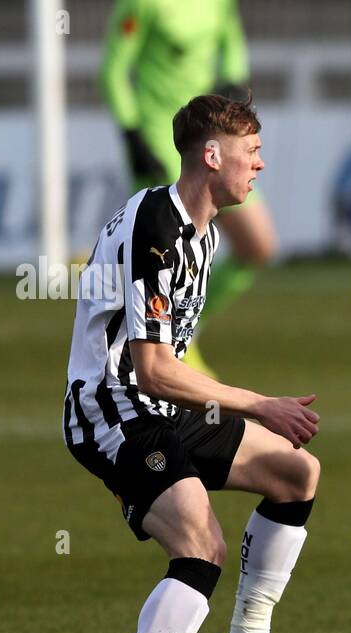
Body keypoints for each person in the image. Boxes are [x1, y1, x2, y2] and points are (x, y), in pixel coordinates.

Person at [64, 94, 323, 633]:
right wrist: (259, 402)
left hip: (158, 408)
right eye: (251, 152)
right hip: (112, 409)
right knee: (200, 546)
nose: (260, 165)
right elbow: (150, 370)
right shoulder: (161, 226)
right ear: (213, 156)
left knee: (295, 473)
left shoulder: (200, 229)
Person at [101, 0, 277, 377]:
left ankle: (185, 334)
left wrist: (232, 83)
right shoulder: (142, 4)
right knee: (167, 256)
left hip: (212, 139)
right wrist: (132, 133)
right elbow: (113, 70)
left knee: (258, 245)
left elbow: (233, 51)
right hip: (163, 142)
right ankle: (154, 353)